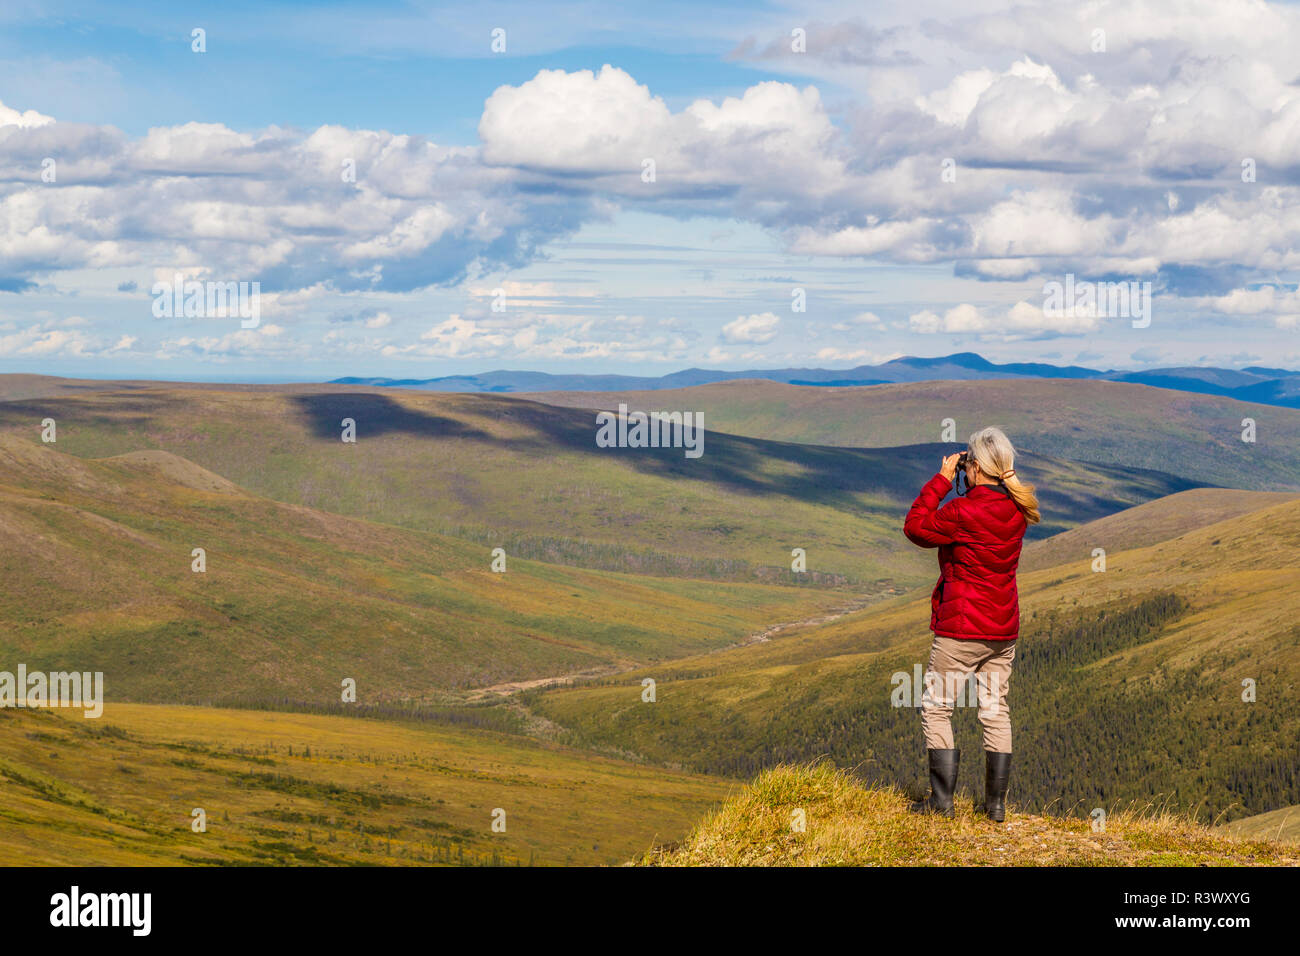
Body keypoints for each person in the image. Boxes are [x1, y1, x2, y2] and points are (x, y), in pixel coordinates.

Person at [902, 426, 1040, 821]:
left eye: (968, 466)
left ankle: (942, 802)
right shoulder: (1019, 510)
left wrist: (943, 479)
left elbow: (915, 528)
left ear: (974, 467)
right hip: (1002, 629)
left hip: (961, 629)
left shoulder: (963, 511)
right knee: (995, 709)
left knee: (937, 707)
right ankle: (995, 807)